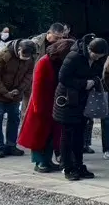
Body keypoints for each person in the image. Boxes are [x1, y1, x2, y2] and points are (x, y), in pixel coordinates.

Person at [53, 37, 107, 181]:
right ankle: (66, 166)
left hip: (83, 100)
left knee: (80, 134)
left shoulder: (98, 60)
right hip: (67, 99)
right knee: (67, 135)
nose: (96, 58)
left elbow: (98, 75)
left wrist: (94, 82)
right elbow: (63, 78)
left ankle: (78, 164)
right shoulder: (74, 56)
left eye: (99, 56)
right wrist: (84, 83)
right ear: (89, 49)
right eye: (95, 55)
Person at [20, 38, 74, 173]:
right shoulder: (44, 62)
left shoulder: (59, 62)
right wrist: (39, 108)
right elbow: (37, 87)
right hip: (42, 105)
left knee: (51, 136)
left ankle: (47, 160)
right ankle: (40, 162)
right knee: (39, 136)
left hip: (54, 105)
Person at [0, 38, 34, 158]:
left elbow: (29, 75)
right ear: (19, 49)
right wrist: (5, 92)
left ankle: (11, 145)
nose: (25, 57)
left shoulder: (30, 57)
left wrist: (19, 89)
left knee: (14, 118)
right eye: (23, 55)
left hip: (15, 92)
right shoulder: (2, 54)